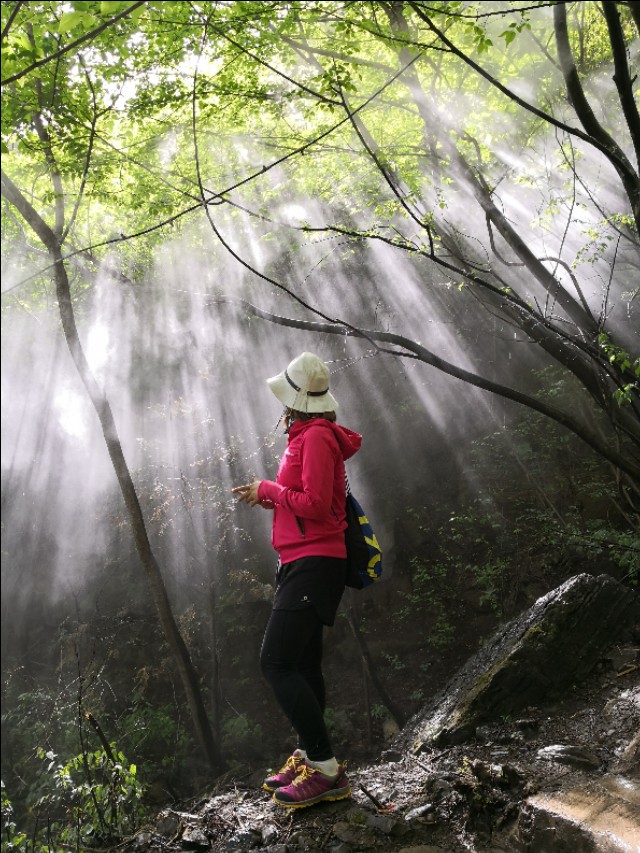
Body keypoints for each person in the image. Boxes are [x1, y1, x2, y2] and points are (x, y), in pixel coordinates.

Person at [232, 352, 362, 809]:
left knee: (275, 663)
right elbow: (304, 500)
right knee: (304, 665)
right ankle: (310, 755)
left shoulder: (319, 438)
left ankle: (326, 769)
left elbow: (318, 504)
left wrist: (269, 489)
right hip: (301, 561)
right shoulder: (306, 435)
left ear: (299, 399)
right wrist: (268, 498)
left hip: (315, 562)